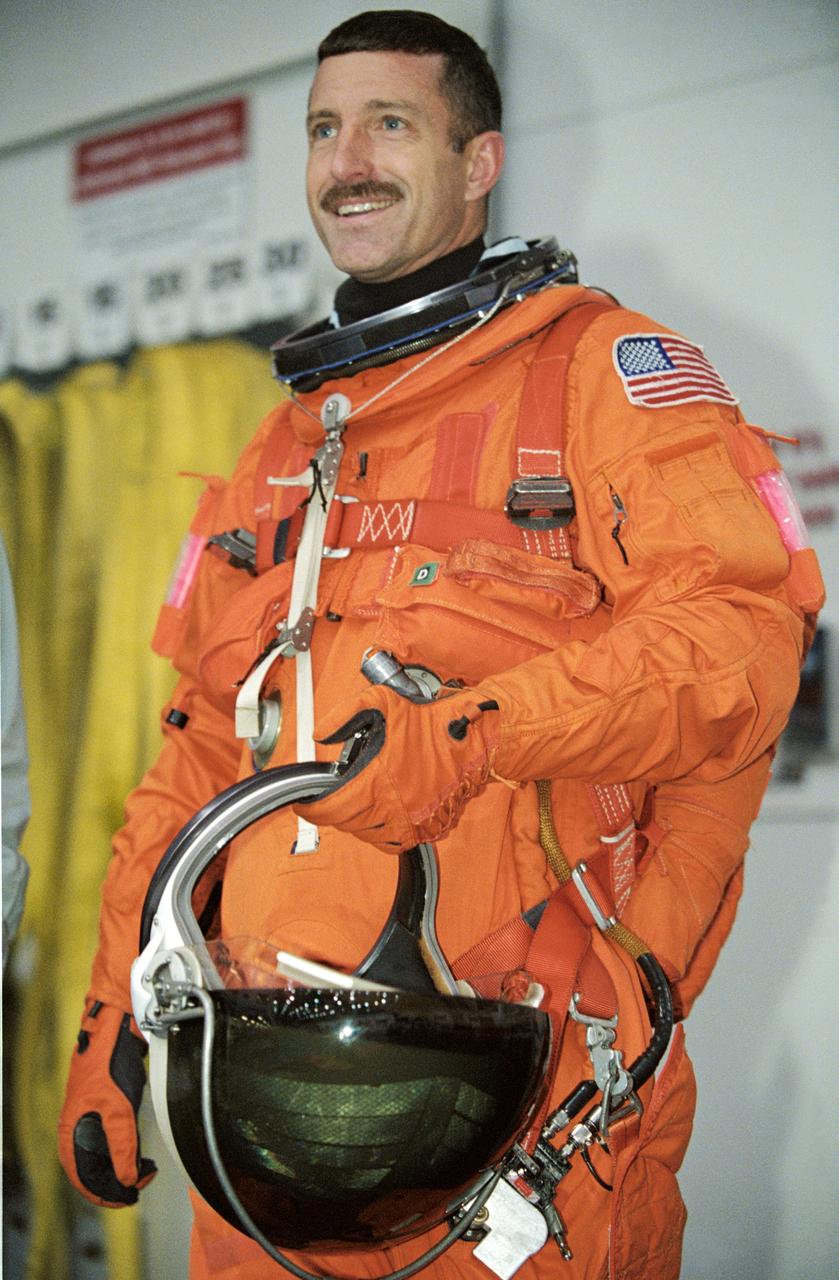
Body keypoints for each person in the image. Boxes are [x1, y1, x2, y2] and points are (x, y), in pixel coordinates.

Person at [58, 10, 824, 1280]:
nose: (347, 161)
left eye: (389, 124)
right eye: (323, 128)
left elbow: (737, 651)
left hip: (522, 1118)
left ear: (479, 163)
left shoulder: (597, 376)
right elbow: (192, 760)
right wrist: (112, 1026)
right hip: (259, 1129)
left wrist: (475, 738)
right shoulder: (276, 453)